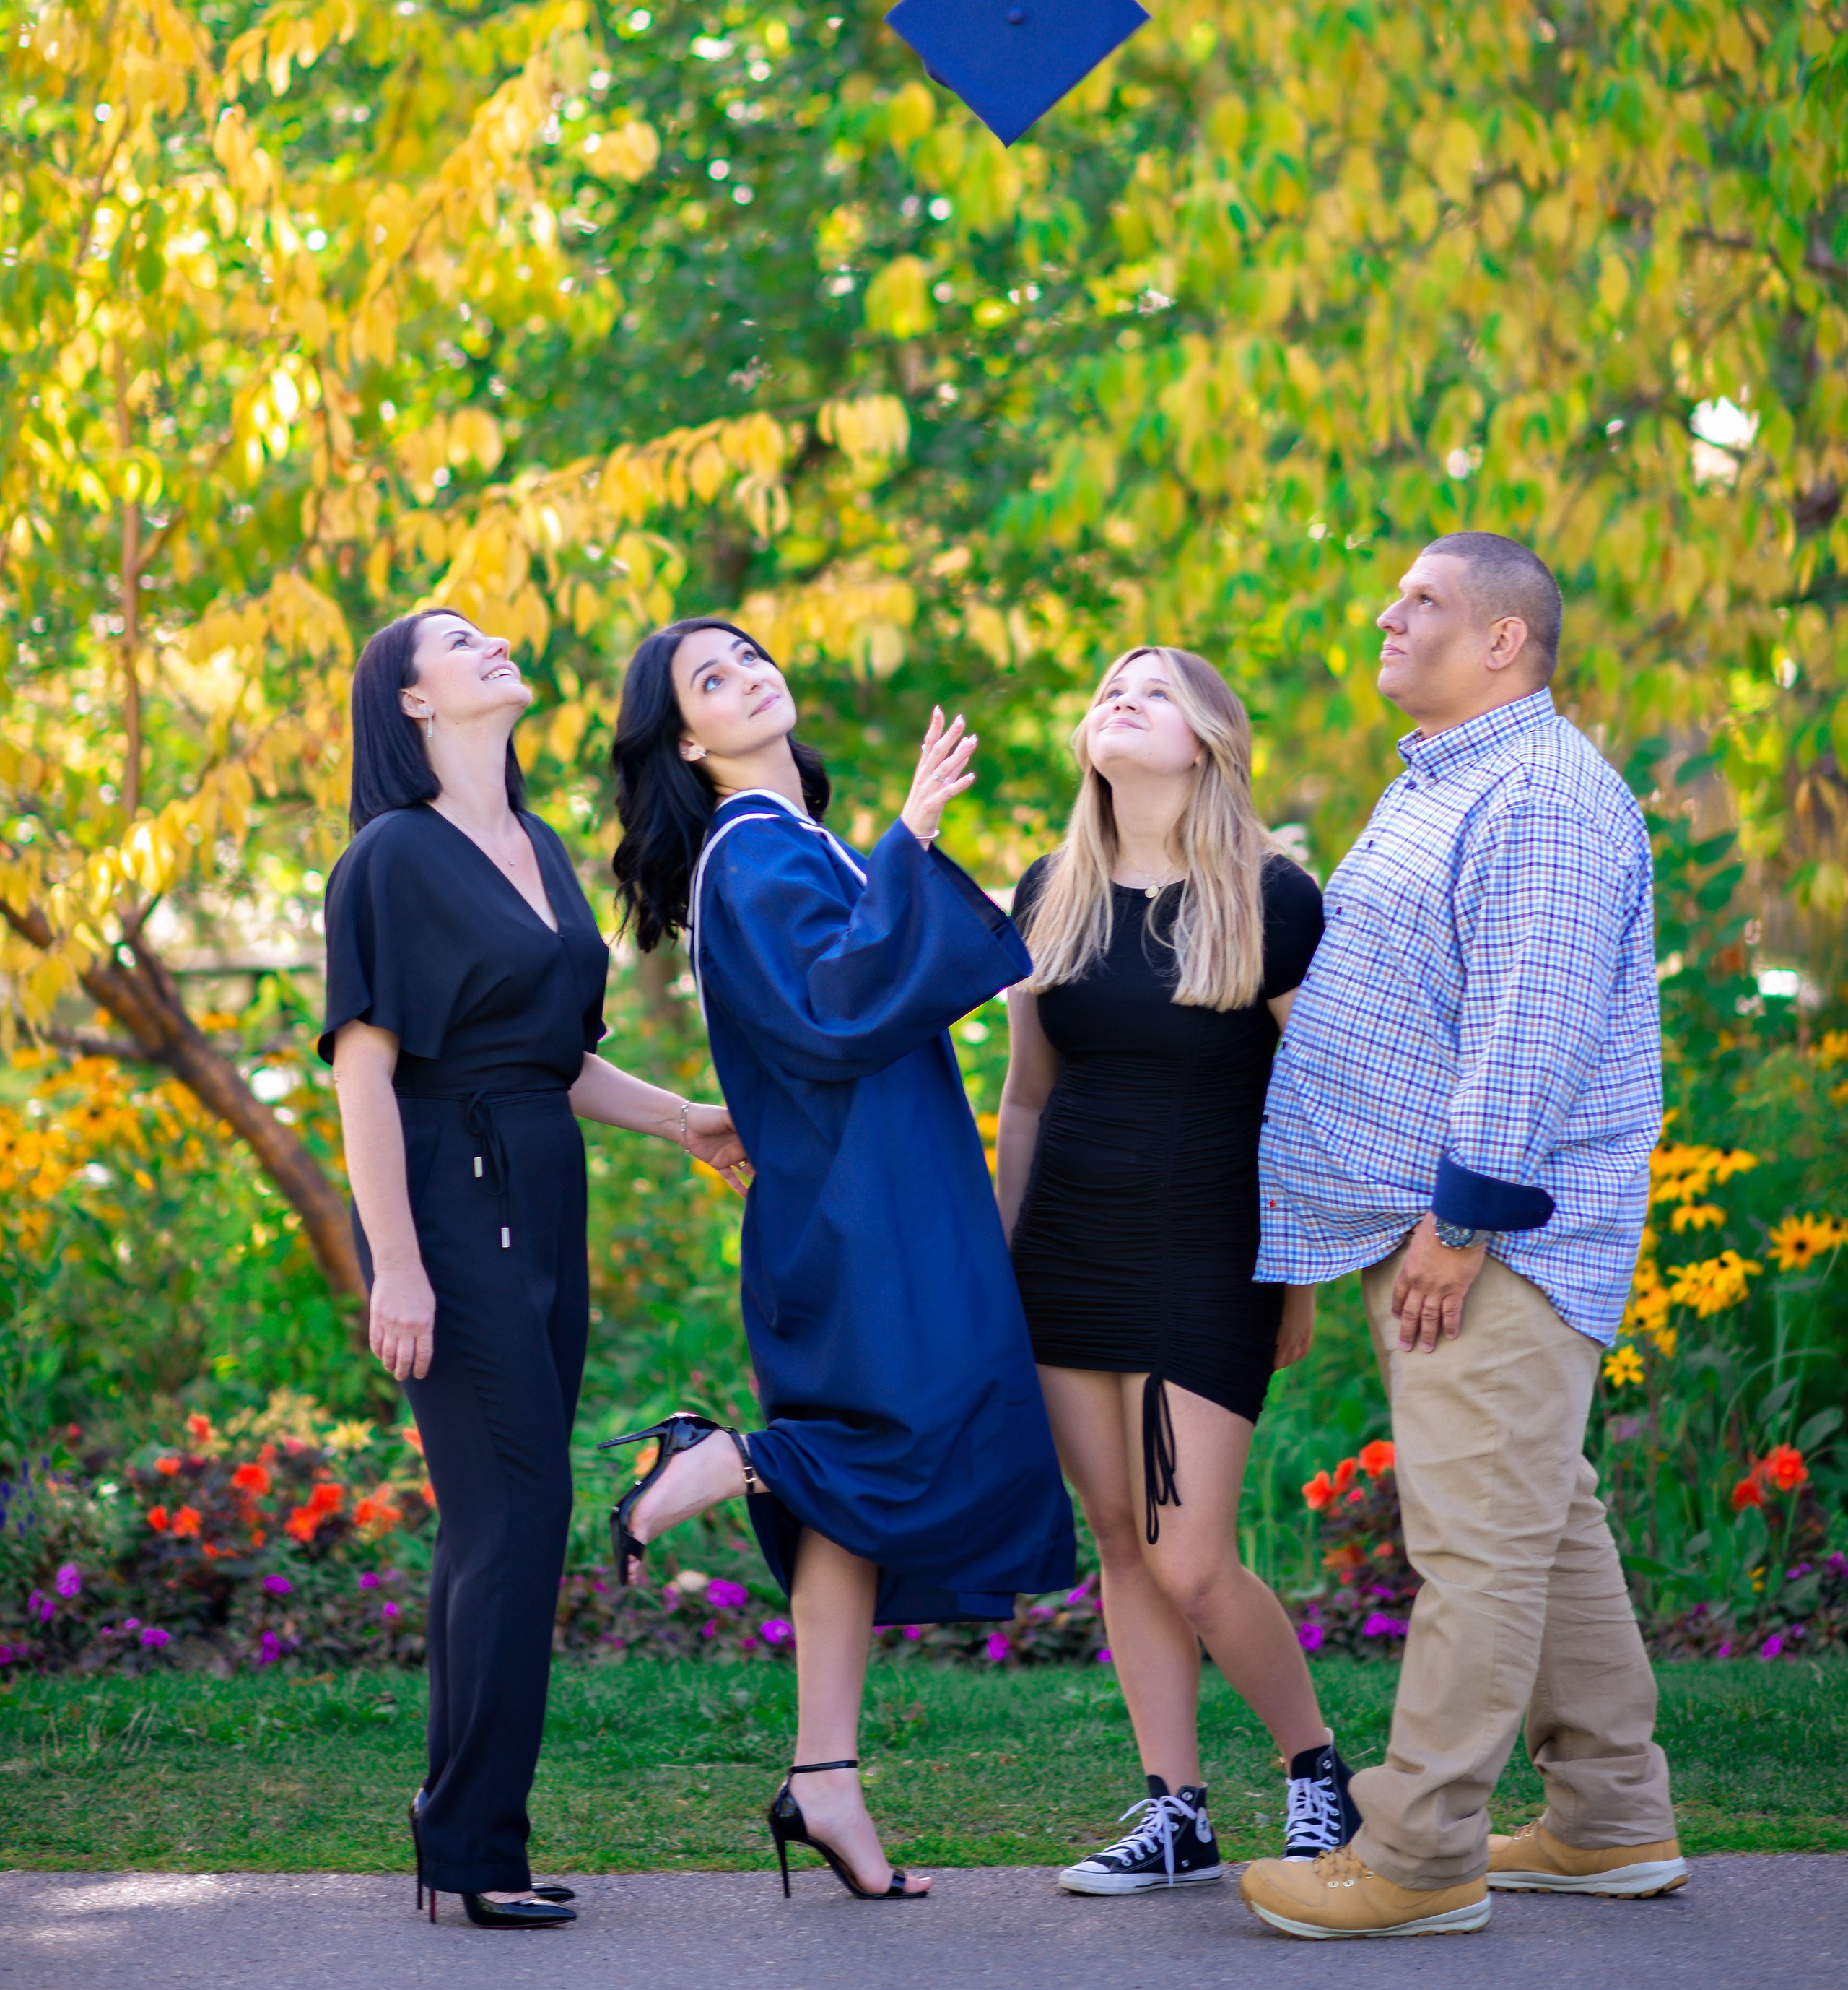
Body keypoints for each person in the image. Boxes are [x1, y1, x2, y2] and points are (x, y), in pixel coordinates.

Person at [1238, 532, 1683, 1942]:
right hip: (1440, 1222)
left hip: (1489, 1237)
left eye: (1421, 599)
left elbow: (1530, 1029)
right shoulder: (1447, 782)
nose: (1388, 612)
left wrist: (1460, 1216)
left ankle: (1416, 1850)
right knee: (1540, 1525)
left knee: (1475, 1545)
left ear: (1503, 640)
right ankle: (1609, 1818)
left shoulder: (1541, 793)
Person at [605, 617, 1076, 1902]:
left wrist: (890, 851)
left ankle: (824, 1781)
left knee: (851, 1503)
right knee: (912, 1430)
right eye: (713, 679)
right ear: (689, 743)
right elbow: (837, 1007)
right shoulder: (752, 852)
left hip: (856, 1188)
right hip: (869, 1209)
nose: (749, 676)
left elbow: (833, 997)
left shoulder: (774, 839)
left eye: (751, 657)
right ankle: (725, 1458)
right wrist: (912, 837)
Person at [322, 607, 747, 1930]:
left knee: (497, 1516)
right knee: (516, 1508)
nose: (494, 642)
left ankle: (458, 1825)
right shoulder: (388, 860)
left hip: (540, 1186)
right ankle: (472, 1842)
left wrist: (683, 1120)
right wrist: (395, 1261)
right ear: (407, 700)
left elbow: (559, 1060)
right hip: (450, 1199)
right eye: (459, 638)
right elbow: (364, 1070)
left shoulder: (541, 848)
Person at [998, 644, 1360, 1895]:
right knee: (1119, 1535)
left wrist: (1300, 1278)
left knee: (1189, 1554)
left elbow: (1314, 1104)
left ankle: (1319, 1775)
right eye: (1106, 688)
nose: (1119, 702)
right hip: (1067, 1252)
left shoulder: (1273, 896)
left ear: (1206, 739)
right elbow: (1029, 1100)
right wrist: (1002, 1261)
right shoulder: (1052, 892)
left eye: (1151, 692)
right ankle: (1177, 1813)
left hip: (1211, 1249)